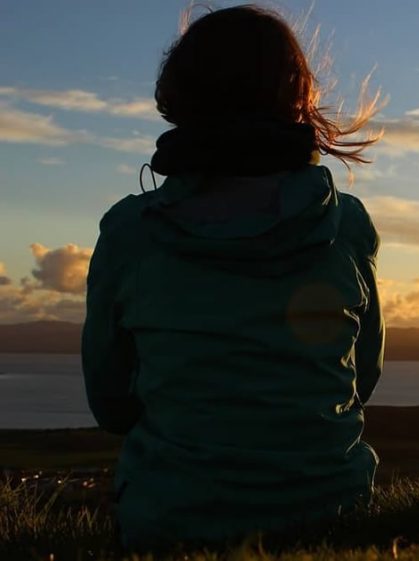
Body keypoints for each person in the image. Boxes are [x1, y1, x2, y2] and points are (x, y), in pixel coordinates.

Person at [80, 5, 384, 549]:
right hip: (334, 517)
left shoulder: (130, 233)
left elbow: (111, 406)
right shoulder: (347, 224)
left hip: (170, 525)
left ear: (179, 98)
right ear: (298, 99)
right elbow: (362, 380)